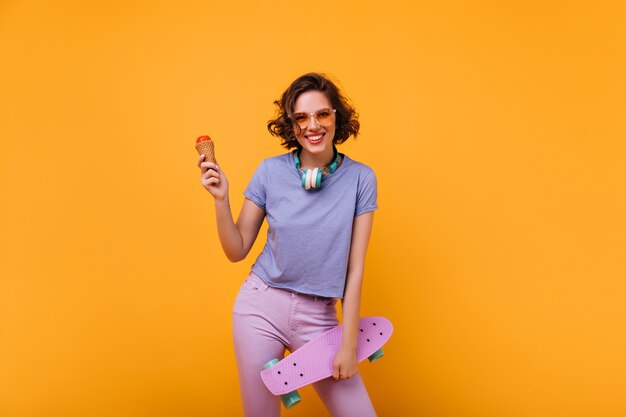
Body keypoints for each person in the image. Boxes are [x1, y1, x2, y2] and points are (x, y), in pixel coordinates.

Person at [196, 72, 378, 417]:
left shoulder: (360, 178)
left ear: (336, 116)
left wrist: (349, 344)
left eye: (322, 114)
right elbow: (236, 251)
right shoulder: (270, 172)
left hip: (319, 316)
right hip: (260, 308)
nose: (313, 125)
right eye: (301, 117)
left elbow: (355, 268)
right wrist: (221, 200)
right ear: (291, 126)